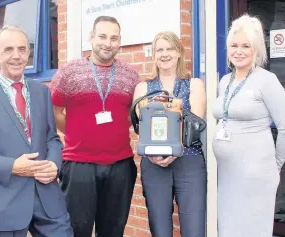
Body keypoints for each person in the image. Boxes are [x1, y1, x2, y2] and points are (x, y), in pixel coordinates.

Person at [50, 16, 139, 237]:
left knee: (113, 231)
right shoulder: (69, 72)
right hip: (79, 165)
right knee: (76, 230)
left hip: (120, 165)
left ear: (119, 41)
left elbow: (132, 114)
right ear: (91, 38)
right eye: (102, 36)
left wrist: (114, 127)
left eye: (113, 38)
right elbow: (54, 111)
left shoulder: (131, 75)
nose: (107, 43)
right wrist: (73, 132)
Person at [0, 25, 73, 237]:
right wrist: (13, 166)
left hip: (48, 198)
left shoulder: (41, 91)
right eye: (8, 50)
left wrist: (53, 163)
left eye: (22, 49)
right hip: (3, 202)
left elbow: (52, 138)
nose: (16, 56)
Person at [212, 14, 285, 237]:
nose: (239, 51)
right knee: (229, 228)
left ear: (256, 49)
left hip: (256, 174)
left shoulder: (266, 80)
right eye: (234, 45)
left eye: (246, 46)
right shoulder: (225, 81)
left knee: (251, 229)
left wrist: (277, 163)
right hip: (227, 173)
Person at [133, 31, 207, 237]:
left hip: (189, 161)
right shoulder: (142, 88)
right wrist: (154, 155)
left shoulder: (195, 85)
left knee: (194, 229)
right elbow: (142, 129)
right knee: (160, 230)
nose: (165, 54)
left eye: (170, 49)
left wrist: (176, 150)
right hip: (154, 164)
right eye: (160, 50)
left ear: (179, 53)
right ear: (154, 55)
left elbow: (196, 124)